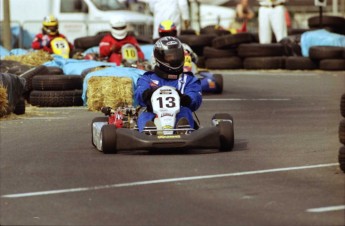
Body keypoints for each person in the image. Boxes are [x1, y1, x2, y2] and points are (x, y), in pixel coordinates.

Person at [134, 36, 202, 133]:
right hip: (154, 116)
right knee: (144, 116)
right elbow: (139, 94)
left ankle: (183, 130)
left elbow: (195, 99)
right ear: (159, 58)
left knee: (185, 112)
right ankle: (149, 131)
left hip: (179, 115)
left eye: (176, 55)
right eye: (170, 56)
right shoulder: (148, 78)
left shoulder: (189, 79)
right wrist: (148, 94)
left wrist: (184, 98)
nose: (174, 59)